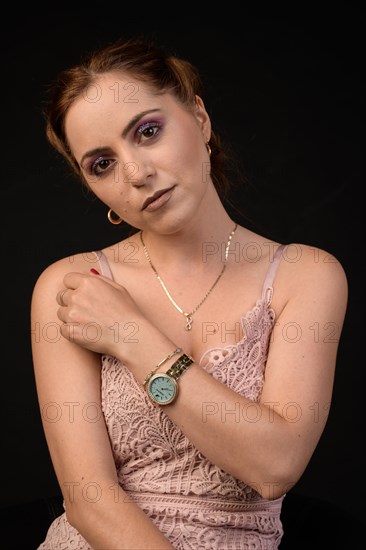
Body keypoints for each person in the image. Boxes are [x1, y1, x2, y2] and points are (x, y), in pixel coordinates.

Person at [31, 36, 348, 549]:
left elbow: (275, 466)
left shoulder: (305, 275)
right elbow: (88, 499)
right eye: (102, 164)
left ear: (199, 118)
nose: (136, 173)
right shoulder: (70, 286)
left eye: (148, 131)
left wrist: (133, 336)